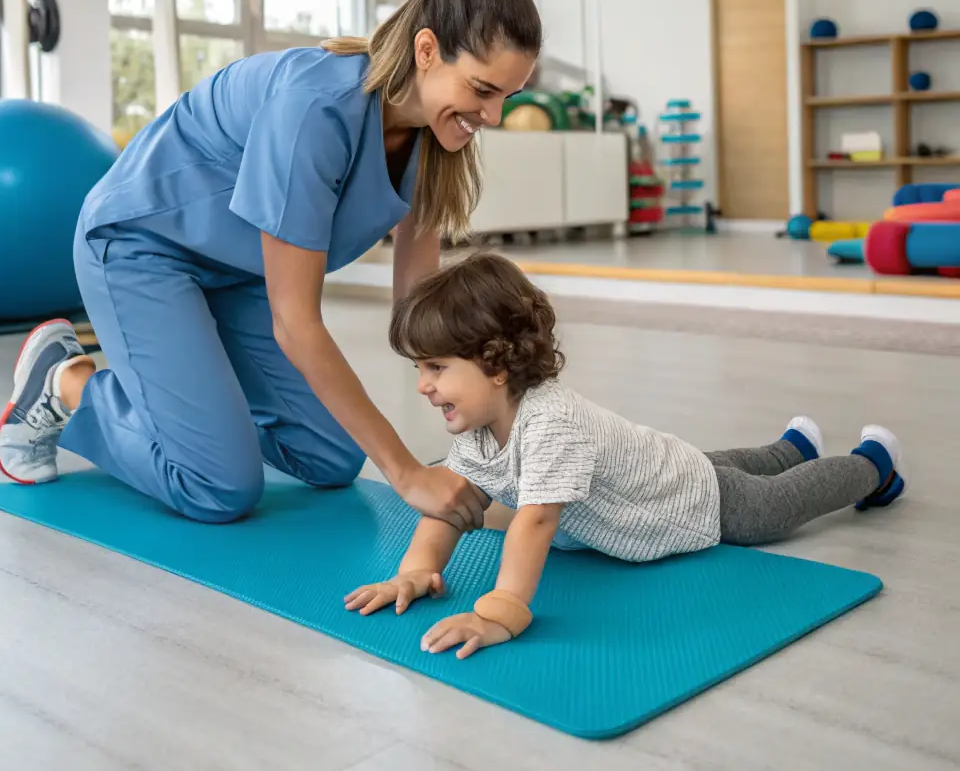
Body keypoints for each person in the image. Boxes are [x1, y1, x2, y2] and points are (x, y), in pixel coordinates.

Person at [0, 0, 541, 533]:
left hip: (235, 273)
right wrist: (407, 473)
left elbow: (420, 311)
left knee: (331, 458)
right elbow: (296, 324)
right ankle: (65, 381)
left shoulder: (434, 143)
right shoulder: (316, 109)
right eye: (483, 91)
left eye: (507, 97)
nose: (493, 116)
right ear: (427, 51)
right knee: (218, 485)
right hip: (140, 249)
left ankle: (198, 414)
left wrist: (490, 417)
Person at [345, 252, 906, 659]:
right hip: (663, 468)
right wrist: (417, 572)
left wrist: (502, 610)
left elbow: (536, 520)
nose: (422, 385)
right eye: (419, 368)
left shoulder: (549, 424)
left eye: (436, 368)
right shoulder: (478, 427)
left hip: (687, 501)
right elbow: (451, 506)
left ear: (496, 364)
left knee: (774, 506)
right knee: (720, 463)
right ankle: (793, 447)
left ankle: (872, 465)